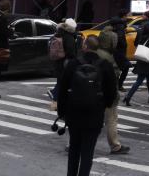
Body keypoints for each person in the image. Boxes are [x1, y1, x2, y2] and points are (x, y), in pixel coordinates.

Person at [57, 35, 118, 176]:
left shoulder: (73, 64)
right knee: (88, 152)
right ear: (97, 48)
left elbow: (63, 89)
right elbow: (111, 92)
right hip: (94, 114)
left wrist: (62, 112)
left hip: (74, 113)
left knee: (74, 149)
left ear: (85, 46)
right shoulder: (105, 65)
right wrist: (104, 105)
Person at [90, 35, 130, 155]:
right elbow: (113, 80)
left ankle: (74, 143)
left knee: (88, 119)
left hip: (90, 94)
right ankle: (115, 146)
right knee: (111, 120)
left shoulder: (93, 53)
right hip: (107, 95)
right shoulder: (110, 57)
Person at [123, 21, 149, 105]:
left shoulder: (142, 38)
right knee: (139, 81)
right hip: (148, 63)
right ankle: (128, 97)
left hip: (141, 61)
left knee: (148, 81)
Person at [49, 18, 79, 101]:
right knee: (63, 80)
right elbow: (70, 52)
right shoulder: (69, 37)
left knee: (61, 79)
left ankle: (54, 92)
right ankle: (55, 97)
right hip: (65, 61)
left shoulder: (59, 33)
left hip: (59, 60)